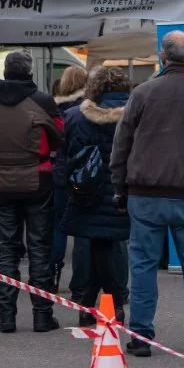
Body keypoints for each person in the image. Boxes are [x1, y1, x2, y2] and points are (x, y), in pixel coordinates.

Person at [110, 31, 184, 358]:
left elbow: (121, 145)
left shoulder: (142, 94)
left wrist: (120, 189)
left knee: (143, 265)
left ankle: (141, 336)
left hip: (145, 194)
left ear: (162, 57)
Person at [0, 51, 64, 333]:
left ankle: (6, 316)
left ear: (5, 71)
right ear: (30, 72)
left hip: (1, 180)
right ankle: (42, 315)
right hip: (36, 179)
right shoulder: (42, 100)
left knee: (6, 249)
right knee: (39, 248)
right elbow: (59, 134)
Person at [61, 67, 132, 326]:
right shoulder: (137, 116)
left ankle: (90, 305)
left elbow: (67, 154)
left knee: (96, 246)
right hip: (123, 190)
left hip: (86, 191)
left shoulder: (74, 116)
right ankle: (110, 304)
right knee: (106, 246)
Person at [52, 65, 88, 293]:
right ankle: (83, 280)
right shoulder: (89, 108)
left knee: (58, 226)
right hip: (85, 175)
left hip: (60, 174)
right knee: (85, 228)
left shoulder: (53, 109)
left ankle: (53, 273)